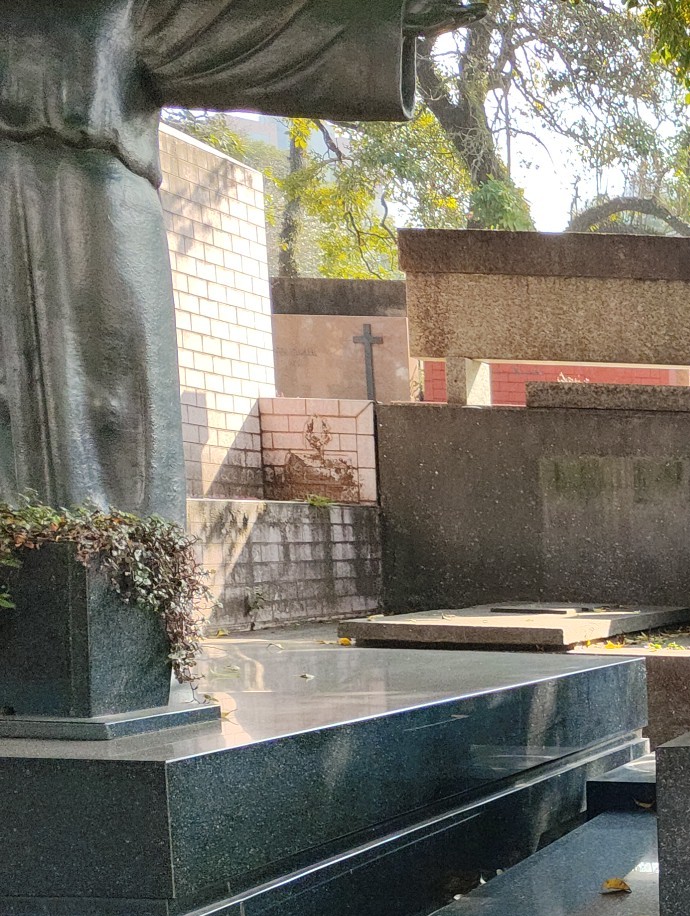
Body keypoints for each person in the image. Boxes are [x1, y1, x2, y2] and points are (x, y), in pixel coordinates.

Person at [0, 0, 474, 524]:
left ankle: (116, 556)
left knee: (115, 410)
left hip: (98, 191)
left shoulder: (128, 15)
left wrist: (387, 15)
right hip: (66, 178)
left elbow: (239, 31)